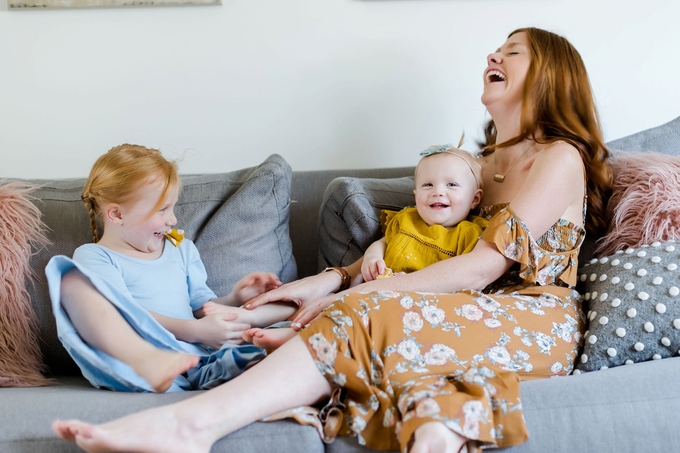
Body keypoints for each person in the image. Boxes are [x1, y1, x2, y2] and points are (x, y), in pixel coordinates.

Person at [52, 27, 612, 453]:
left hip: (532, 318)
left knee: (367, 317)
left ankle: (193, 423)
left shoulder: (558, 157)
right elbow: (417, 252)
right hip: (462, 315)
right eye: (496, 48)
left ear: (549, 75)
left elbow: (478, 269)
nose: (493, 56)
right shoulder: (473, 169)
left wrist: (351, 298)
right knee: (428, 396)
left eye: (512, 52)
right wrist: (326, 280)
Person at [45, 144, 298, 393]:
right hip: (139, 358)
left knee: (276, 329)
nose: (173, 219)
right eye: (162, 209)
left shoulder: (181, 249)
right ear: (116, 215)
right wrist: (195, 331)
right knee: (66, 275)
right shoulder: (96, 256)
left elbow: (201, 306)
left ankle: (229, 366)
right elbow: (123, 314)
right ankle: (179, 367)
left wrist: (235, 297)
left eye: (172, 207)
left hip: (198, 354)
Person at [243, 146, 489, 350]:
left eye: (452, 185)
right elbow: (383, 242)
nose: (438, 192)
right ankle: (253, 317)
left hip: (418, 303)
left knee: (356, 316)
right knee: (326, 300)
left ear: (475, 198)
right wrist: (373, 255)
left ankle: (296, 338)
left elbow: (464, 279)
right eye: (428, 185)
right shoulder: (406, 219)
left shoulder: (470, 235)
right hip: (374, 287)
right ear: (415, 194)